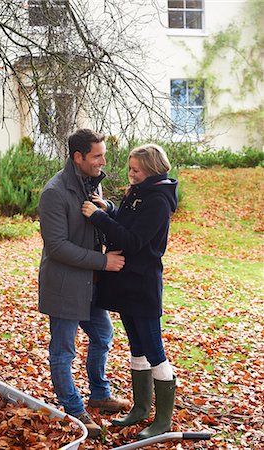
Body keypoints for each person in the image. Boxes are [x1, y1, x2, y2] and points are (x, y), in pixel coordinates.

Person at [81, 143, 178, 440]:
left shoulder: (158, 200)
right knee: (137, 347)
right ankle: (140, 408)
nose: (131, 174)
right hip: (127, 283)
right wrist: (107, 208)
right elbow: (125, 221)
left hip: (143, 285)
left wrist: (97, 218)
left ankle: (163, 420)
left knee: (153, 349)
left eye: (135, 170)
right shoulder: (139, 194)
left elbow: (134, 240)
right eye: (130, 169)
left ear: (150, 170)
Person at [38, 128, 130, 438]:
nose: (103, 161)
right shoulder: (54, 192)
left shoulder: (90, 187)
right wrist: (104, 262)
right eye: (97, 156)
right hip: (64, 285)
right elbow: (57, 246)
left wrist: (107, 213)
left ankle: (99, 394)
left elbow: (94, 231)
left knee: (103, 334)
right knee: (63, 352)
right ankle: (73, 408)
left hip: (90, 285)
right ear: (78, 157)